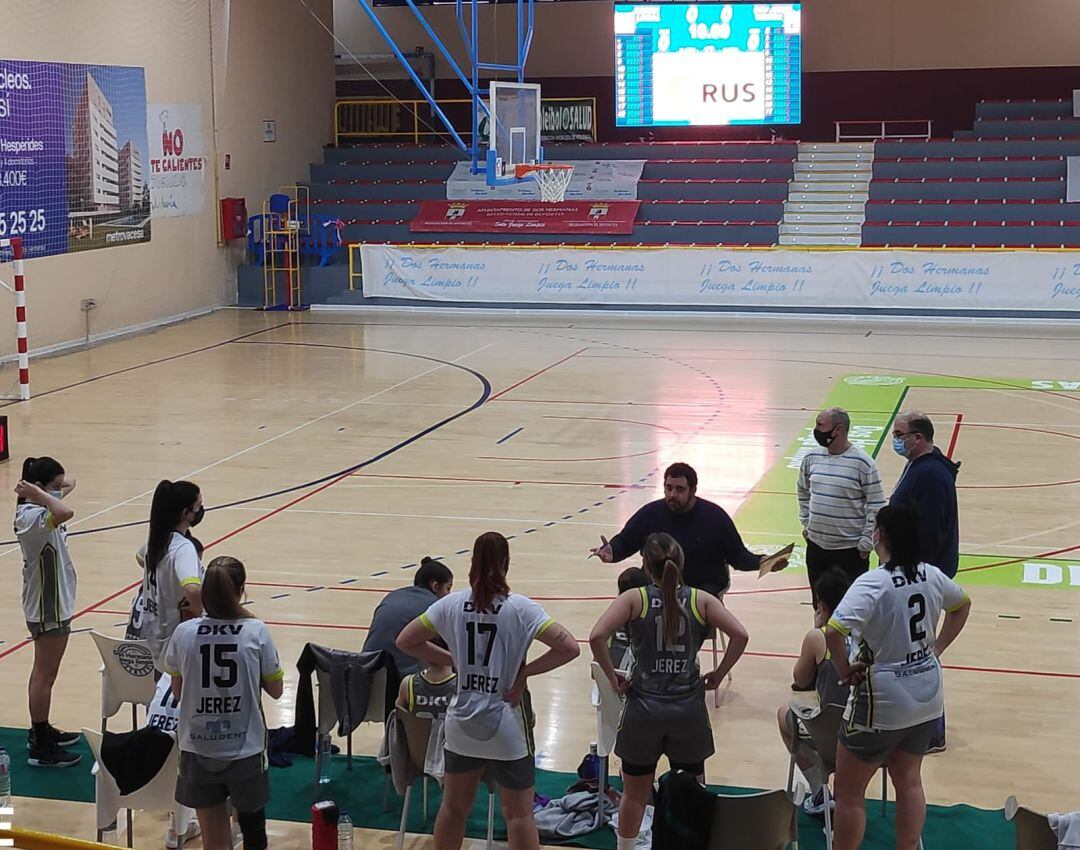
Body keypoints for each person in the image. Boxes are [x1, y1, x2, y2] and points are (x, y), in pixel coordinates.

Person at [396, 531, 579, 850]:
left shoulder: (450, 604)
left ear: (472, 564)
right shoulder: (521, 608)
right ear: (506, 564)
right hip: (506, 723)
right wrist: (524, 673)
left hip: (463, 723)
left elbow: (405, 640)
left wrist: (452, 659)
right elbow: (569, 648)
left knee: (454, 810)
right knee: (519, 816)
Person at [589, 532, 749, 850]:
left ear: (646, 565)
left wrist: (613, 677)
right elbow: (740, 635)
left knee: (634, 796)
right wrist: (719, 673)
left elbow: (596, 636)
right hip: (687, 709)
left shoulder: (635, 599)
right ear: (681, 562)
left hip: (643, 709)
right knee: (692, 795)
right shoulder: (700, 599)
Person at [824, 504, 971, 850]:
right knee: (909, 782)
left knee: (849, 794)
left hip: (882, 701)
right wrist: (936, 652)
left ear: (881, 535)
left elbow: (834, 630)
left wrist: (844, 669)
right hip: (927, 695)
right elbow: (962, 604)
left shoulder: (873, 582)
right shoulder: (932, 574)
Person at [164, 556, 284, 850]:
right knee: (253, 833)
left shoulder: (184, 632)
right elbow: (277, 690)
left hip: (198, 746)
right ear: (241, 590)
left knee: (214, 842)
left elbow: (177, 692)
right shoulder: (256, 631)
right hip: (245, 747)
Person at [591, 462, 788, 596]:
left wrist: (763, 562)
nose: (672, 494)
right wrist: (613, 551)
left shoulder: (715, 517)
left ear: (693, 490)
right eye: (668, 488)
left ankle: (686, 652)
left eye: (679, 489)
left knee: (701, 597)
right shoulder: (651, 513)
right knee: (630, 578)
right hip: (657, 586)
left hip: (699, 589)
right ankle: (629, 645)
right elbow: (627, 540)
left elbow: (738, 556)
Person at [14, 457, 82, 768]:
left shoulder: (41, 506)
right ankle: (40, 742)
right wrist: (41, 494)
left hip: (55, 602)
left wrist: (43, 488)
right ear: (39, 490)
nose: (60, 492)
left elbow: (72, 482)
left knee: (48, 673)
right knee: (44, 674)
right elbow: (66, 511)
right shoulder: (31, 517)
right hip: (47, 605)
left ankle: (43, 728)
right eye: (53, 488)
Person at [776, 567, 852, 815]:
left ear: (821, 605)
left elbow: (800, 680)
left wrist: (816, 628)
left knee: (784, 713)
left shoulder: (818, 638)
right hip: (867, 734)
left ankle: (819, 790)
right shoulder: (872, 633)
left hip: (830, 739)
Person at [798, 408, 886, 602]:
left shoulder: (863, 463)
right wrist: (806, 523)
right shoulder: (810, 458)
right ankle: (819, 633)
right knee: (820, 605)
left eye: (820, 425)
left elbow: (876, 505)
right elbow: (803, 492)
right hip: (817, 549)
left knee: (850, 608)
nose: (815, 430)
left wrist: (866, 541)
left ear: (838, 430)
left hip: (849, 552)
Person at [139, 480, 205, 669]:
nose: (201, 510)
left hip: (156, 636)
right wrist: (203, 614)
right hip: (176, 639)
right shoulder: (183, 548)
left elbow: (139, 558)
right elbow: (192, 589)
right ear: (186, 513)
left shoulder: (156, 540)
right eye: (198, 506)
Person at [889, 412, 960, 578]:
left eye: (898, 435)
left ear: (918, 438)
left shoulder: (930, 475)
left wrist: (914, 575)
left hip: (919, 574)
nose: (895, 439)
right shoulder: (918, 463)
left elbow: (930, 532)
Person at [362, 556, 454, 676]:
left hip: (364, 667)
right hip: (396, 677)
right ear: (435, 586)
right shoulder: (434, 606)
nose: (450, 595)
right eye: (448, 589)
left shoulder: (393, 595)